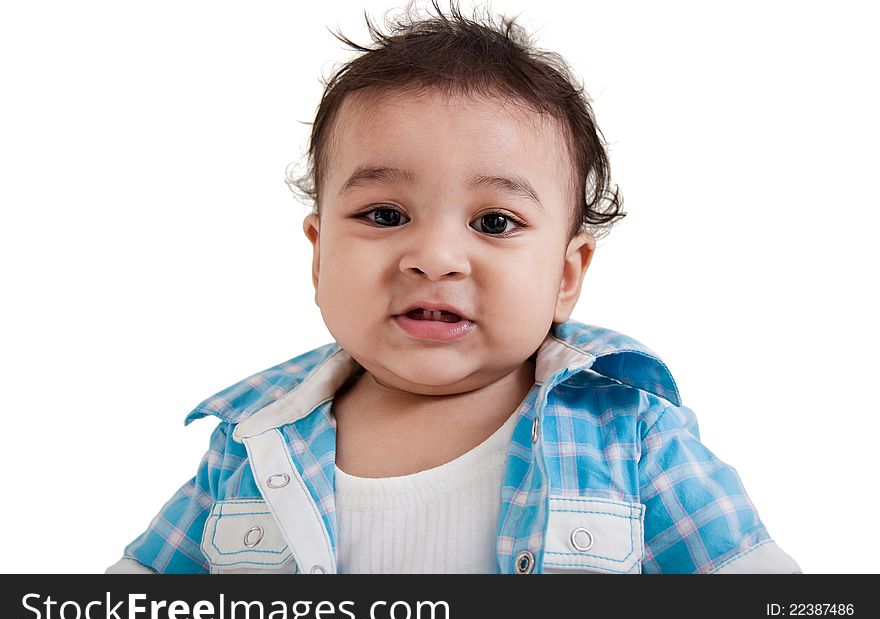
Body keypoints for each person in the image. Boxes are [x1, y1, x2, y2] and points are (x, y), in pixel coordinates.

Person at [106, 0, 800, 574]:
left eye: (494, 222)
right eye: (384, 215)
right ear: (319, 256)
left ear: (565, 275)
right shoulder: (253, 442)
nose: (435, 258)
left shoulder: (630, 436)